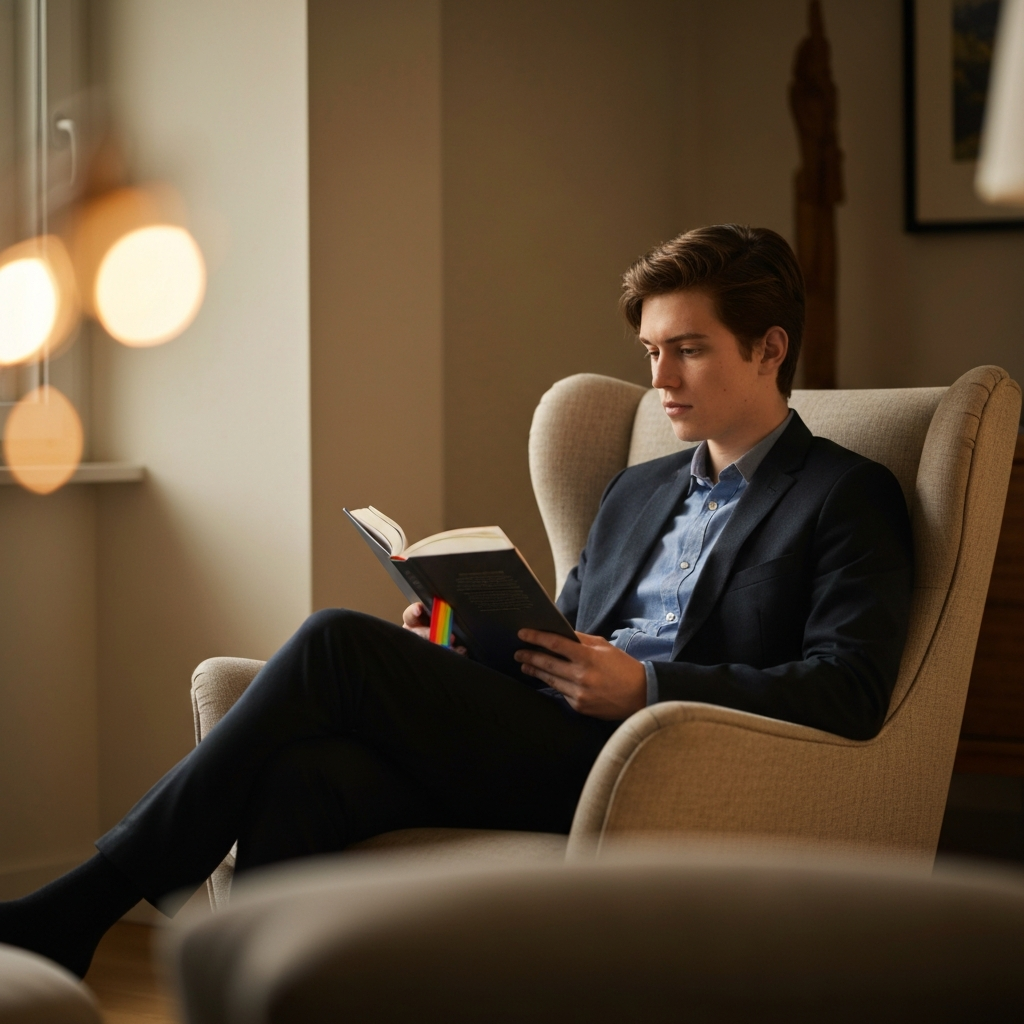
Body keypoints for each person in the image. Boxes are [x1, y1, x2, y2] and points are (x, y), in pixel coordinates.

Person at [0, 225, 912, 977]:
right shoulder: (640, 488)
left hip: (657, 760)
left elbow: (849, 687)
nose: (660, 379)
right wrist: (464, 640)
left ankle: (80, 906)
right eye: (650, 352)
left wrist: (650, 686)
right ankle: (250, 1002)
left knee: (333, 646)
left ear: (770, 349)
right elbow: (565, 629)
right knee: (303, 778)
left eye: (688, 350)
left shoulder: (843, 495)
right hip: (548, 726)